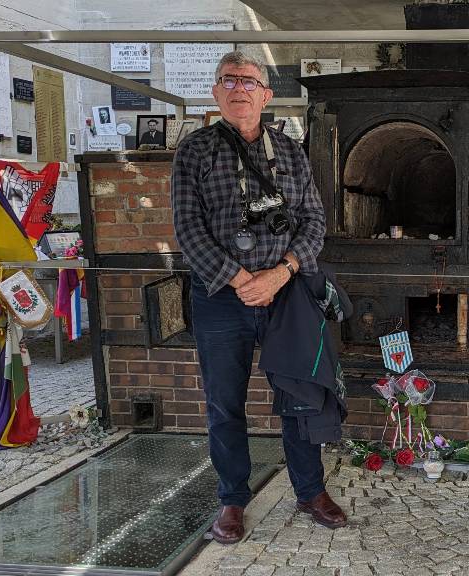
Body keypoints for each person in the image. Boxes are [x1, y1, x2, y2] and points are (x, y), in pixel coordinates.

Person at [171, 51, 340, 545]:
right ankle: (231, 499)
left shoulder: (290, 152)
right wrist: (238, 277)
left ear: (266, 95)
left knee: (298, 396)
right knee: (224, 403)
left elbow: (314, 222)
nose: (239, 87)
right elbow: (187, 228)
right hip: (221, 298)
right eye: (229, 79)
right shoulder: (195, 151)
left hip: (285, 294)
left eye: (249, 80)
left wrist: (281, 273)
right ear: (217, 92)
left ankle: (309, 491)